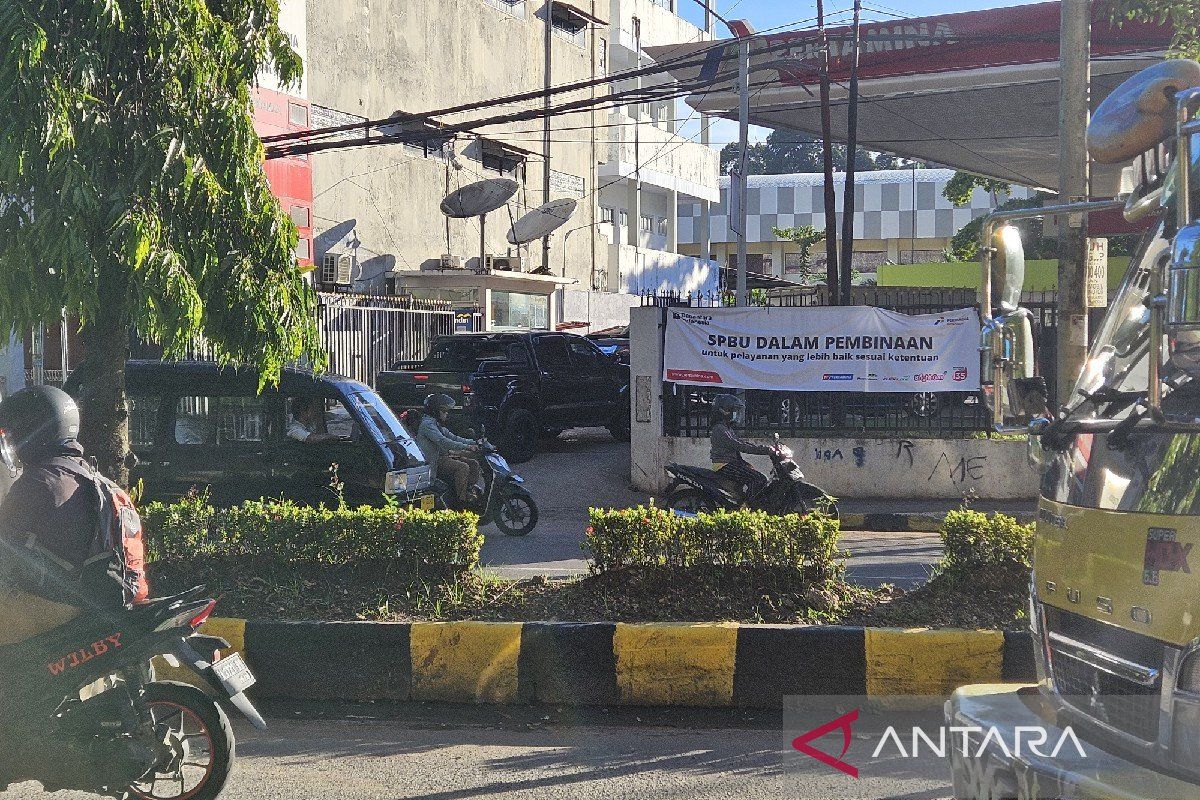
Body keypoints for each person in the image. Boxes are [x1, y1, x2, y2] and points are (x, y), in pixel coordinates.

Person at [0, 385, 101, 646]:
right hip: (89, 600)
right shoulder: (85, 473)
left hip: (52, 606)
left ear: (33, 432)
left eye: (13, 436)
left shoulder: (38, 482)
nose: (11, 444)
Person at [415, 394, 481, 506]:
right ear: (435, 411)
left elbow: (453, 437)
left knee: (473, 464)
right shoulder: (427, 425)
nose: (447, 413)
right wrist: (467, 447)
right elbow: (444, 441)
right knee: (463, 467)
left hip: (443, 457)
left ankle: (467, 491)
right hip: (434, 461)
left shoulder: (437, 425)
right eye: (444, 411)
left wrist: (475, 442)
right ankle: (461, 501)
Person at [709, 393, 774, 501]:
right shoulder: (720, 429)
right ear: (725, 411)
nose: (736, 415)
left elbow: (741, 442)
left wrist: (764, 448)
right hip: (724, 465)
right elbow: (739, 445)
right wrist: (765, 450)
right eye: (734, 411)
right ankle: (747, 507)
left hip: (730, 463)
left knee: (756, 475)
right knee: (758, 479)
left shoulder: (726, 428)